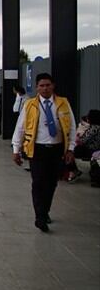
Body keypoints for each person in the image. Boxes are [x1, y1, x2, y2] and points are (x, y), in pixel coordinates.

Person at [12, 73, 77, 232]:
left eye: (48, 85)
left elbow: (72, 127)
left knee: (51, 183)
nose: (45, 88)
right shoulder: (30, 105)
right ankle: (39, 217)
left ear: (53, 86)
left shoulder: (63, 104)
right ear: (37, 88)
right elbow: (20, 128)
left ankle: (45, 210)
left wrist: (71, 149)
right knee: (38, 183)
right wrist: (16, 149)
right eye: (41, 85)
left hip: (57, 149)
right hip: (37, 149)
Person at [64, 110, 100, 182]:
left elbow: (83, 140)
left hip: (91, 150)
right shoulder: (95, 127)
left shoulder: (94, 128)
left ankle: (73, 170)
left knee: (69, 151)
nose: (87, 118)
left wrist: (77, 138)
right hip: (93, 149)